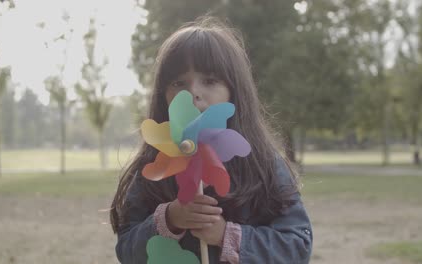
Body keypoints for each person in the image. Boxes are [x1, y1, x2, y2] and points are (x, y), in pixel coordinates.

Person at [110, 16, 313, 264]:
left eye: (210, 80)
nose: (193, 92)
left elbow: (297, 246)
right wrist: (168, 219)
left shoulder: (264, 164)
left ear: (234, 91)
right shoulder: (153, 165)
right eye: (178, 82)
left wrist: (227, 236)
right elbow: (127, 251)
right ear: (164, 96)